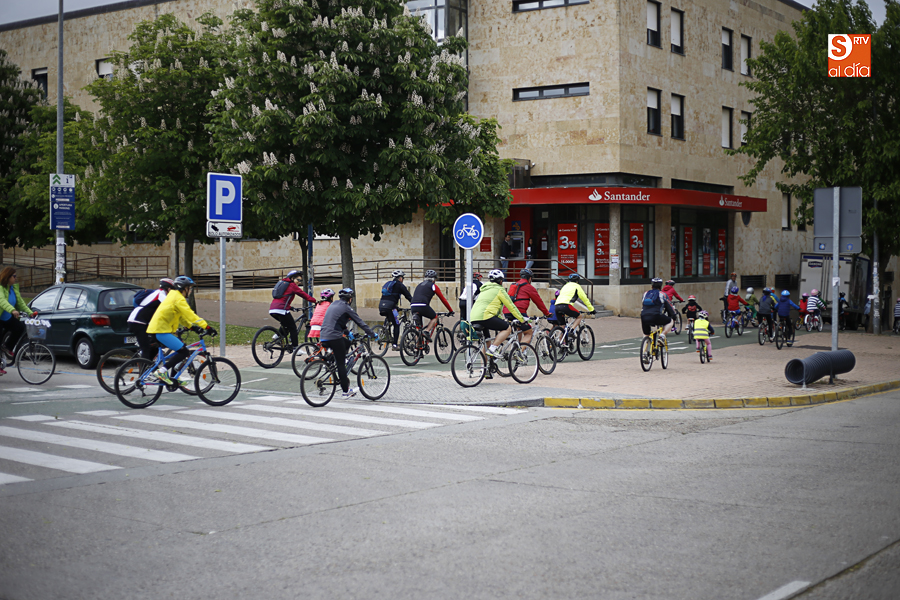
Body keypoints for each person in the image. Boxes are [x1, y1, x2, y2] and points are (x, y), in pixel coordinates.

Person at [146, 276, 216, 385]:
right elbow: (190, 314)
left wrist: (191, 327)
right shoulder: (178, 298)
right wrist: (207, 327)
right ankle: (162, 371)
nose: (190, 290)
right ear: (183, 288)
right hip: (161, 331)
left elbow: (181, 317)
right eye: (189, 288)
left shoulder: (173, 296)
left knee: (179, 351)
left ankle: (173, 378)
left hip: (158, 329)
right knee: (184, 352)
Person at [319, 288, 376, 398]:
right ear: (350, 299)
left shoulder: (333, 304)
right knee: (341, 364)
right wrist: (372, 334)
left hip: (323, 335)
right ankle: (346, 390)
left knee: (347, 343)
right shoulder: (346, 307)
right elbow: (360, 322)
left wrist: (347, 332)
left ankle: (330, 361)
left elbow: (336, 322)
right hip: (334, 337)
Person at [469, 269, 529, 364]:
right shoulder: (499, 290)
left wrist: (501, 319)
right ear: (501, 281)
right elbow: (511, 306)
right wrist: (522, 320)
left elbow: (493, 309)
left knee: (487, 342)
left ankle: (484, 369)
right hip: (485, 316)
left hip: (474, 317)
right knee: (507, 328)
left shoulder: (484, 289)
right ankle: (493, 349)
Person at [0, 267, 38, 371]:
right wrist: (12, 310)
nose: (16, 278)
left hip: (7, 318)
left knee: (19, 327)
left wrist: (30, 313)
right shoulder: (1, 288)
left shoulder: (13, 289)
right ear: (8, 277)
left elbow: (21, 303)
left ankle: (7, 347)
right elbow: (2, 301)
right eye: (14, 276)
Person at [269, 270, 317, 352]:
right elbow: (304, 294)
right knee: (293, 328)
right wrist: (315, 301)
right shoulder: (292, 285)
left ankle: (277, 336)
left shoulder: (283, 284)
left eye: (300, 280)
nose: (299, 282)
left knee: (286, 324)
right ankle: (295, 348)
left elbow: (282, 299)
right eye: (298, 280)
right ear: (292, 278)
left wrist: (291, 308)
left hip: (272, 309)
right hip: (281, 310)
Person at [127, 278, 175, 359]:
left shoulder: (158, 293)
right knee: (146, 349)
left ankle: (150, 363)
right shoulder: (160, 294)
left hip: (142, 322)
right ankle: (144, 366)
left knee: (157, 344)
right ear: (169, 289)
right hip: (137, 322)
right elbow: (171, 308)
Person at [502, 268, 551, 345]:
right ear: (530, 278)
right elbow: (539, 302)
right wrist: (547, 313)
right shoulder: (529, 287)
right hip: (519, 312)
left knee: (519, 329)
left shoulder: (514, 285)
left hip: (507, 311)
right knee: (528, 333)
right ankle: (519, 351)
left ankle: (515, 347)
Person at [410, 269, 454, 339]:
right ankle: (427, 331)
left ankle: (418, 344)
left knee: (418, 329)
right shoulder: (433, 286)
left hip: (413, 306)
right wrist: (450, 310)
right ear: (434, 279)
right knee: (435, 317)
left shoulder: (419, 285)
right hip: (423, 306)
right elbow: (443, 299)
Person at [378, 269, 413, 350]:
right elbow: (408, 296)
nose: (403, 279)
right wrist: (414, 303)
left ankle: (384, 329)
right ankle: (394, 345)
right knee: (396, 325)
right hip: (391, 307)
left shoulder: (388, 284)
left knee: (389, 317)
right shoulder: (400, 285)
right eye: (403, 278)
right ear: (400, 278)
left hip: (381, 306)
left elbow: (389, 297)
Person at [641, 277, 676, 343]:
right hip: (656, 316)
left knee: (646, 334)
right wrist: (674, 316)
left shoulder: (645, 294)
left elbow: (643, 304)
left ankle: (644, 349)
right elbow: (670, 307)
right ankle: (662, 336)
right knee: (670, 321)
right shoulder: (662, 294)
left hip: (644, 316)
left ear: (652, 285)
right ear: (661, 286)